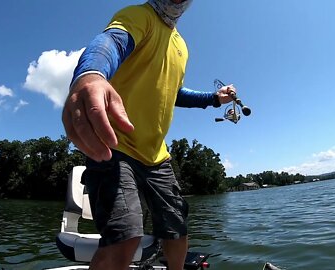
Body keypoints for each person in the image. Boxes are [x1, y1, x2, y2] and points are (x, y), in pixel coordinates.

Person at [61, 1, 236, 269]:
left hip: (158, 157)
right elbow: (111, 43)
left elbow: (175, 92)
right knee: (125, 237)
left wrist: (213, 99)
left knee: (177, 231)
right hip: (114, 147)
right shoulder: (138, 16)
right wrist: (91, 74)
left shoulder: (182, 46)